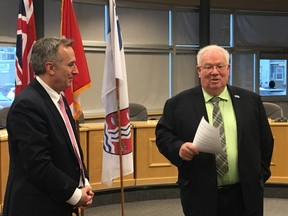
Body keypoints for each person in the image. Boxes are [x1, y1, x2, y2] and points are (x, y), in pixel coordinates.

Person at [155, 45, 274, 216]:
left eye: (219, 66)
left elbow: (266, 142)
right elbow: (163, 135)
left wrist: (259, 177)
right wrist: (178, 148)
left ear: (228, 69)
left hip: (245, 193)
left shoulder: (251, 101)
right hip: (200, 193)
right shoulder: (178, 104)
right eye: (208, 67)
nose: (214, 72)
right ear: (199, 71)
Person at [3, 37, 94, 216]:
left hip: (57, 201)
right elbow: (38, 165)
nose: (76, 71)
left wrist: (83, 182)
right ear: (50, 68)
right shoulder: (27, 105)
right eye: (71, 65)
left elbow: (71, 150)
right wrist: (75, 195)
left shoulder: (58, 100)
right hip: (36, 206)